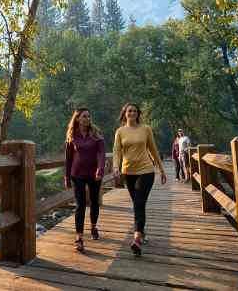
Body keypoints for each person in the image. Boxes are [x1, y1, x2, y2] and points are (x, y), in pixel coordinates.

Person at [113, 103, 166, 256]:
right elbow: (116, 151)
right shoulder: (120, 131)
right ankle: (141, 231)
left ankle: (136, 238)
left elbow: (153, 149)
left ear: (138, 114)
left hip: (146, 170)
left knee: (139, 202)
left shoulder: (146, 129)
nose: (132, 113)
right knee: (138, 204)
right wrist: (116, 167)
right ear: (125, 113)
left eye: (135, 111)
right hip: (128, 172)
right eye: (130, 111)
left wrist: (161, 169)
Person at [64, 108, 106, 253]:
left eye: (88, 116)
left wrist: (100, 169)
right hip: (77, 174)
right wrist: (66, 177)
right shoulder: (72, 136)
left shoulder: (96, 135)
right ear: (77, 119)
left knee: (94, 202)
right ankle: (79, 237)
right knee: (80, 205)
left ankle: (93, 226)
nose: (87, 118)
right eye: (84, 116)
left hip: (94, 174)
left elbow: (101, 154)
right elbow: (68, 159)